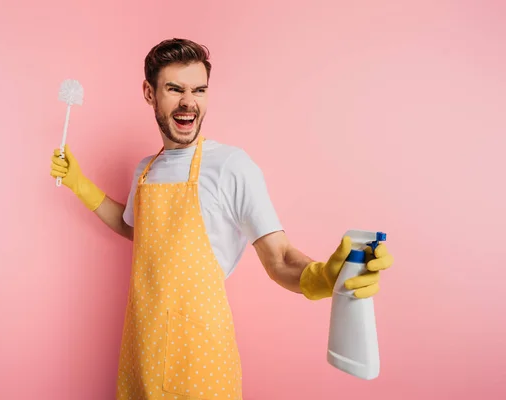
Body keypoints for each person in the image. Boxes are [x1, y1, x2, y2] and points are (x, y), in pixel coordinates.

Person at [49, 38, 394, 400]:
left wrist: (321, 277)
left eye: (199, 90)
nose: (188, 102)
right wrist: (80, 185)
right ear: (149, 94)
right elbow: (136, 229)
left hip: (201, 358)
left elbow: (279, 258)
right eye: (174, 89)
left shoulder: (231, 166)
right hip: (143, 346)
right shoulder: (145, 171)